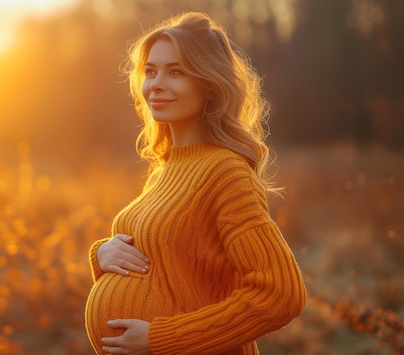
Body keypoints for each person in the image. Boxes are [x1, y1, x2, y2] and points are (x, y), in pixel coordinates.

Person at [84, 11, 307, 355]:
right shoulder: (166, 168)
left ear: (208, 84)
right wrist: (102, 253)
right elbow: (165, 261)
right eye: (150, 71)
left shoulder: (224, 171)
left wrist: (164, 338)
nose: (156, 83)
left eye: (176, 71)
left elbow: (280, 294)